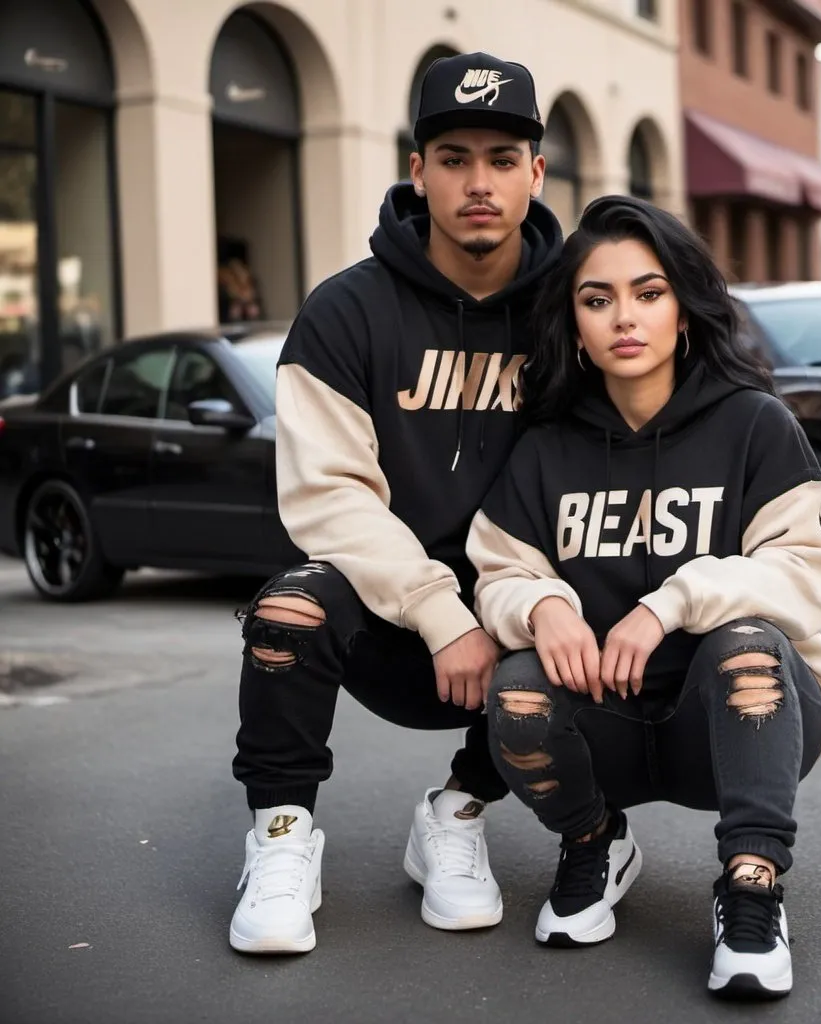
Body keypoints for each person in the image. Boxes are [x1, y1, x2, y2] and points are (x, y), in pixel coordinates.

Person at [466, 195, 821, 999]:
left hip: (741, 722)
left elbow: (807, 574)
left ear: (683, 309)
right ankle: (592, 838)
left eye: (648, 293)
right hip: (605, 720)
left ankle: (751, 890)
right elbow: (497, 571)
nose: (624, 318)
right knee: (517, 691)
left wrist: (669, 603)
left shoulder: (756, 427)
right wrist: (544, 605)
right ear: (575, 326)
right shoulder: (546, 450)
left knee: (744, 646)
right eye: (597, 300)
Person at [228, 51, 562, 954]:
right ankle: (282, 837)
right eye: (453, 157)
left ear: (537, 171)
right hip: (391, 609)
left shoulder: (574, 313)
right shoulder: (344, 313)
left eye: (502, 158)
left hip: (518, 605)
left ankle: (455, 814)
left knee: (585, 604)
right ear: (417, 172)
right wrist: (435, 609)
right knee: (291, 607)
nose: (478, 182)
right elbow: (327, 497)